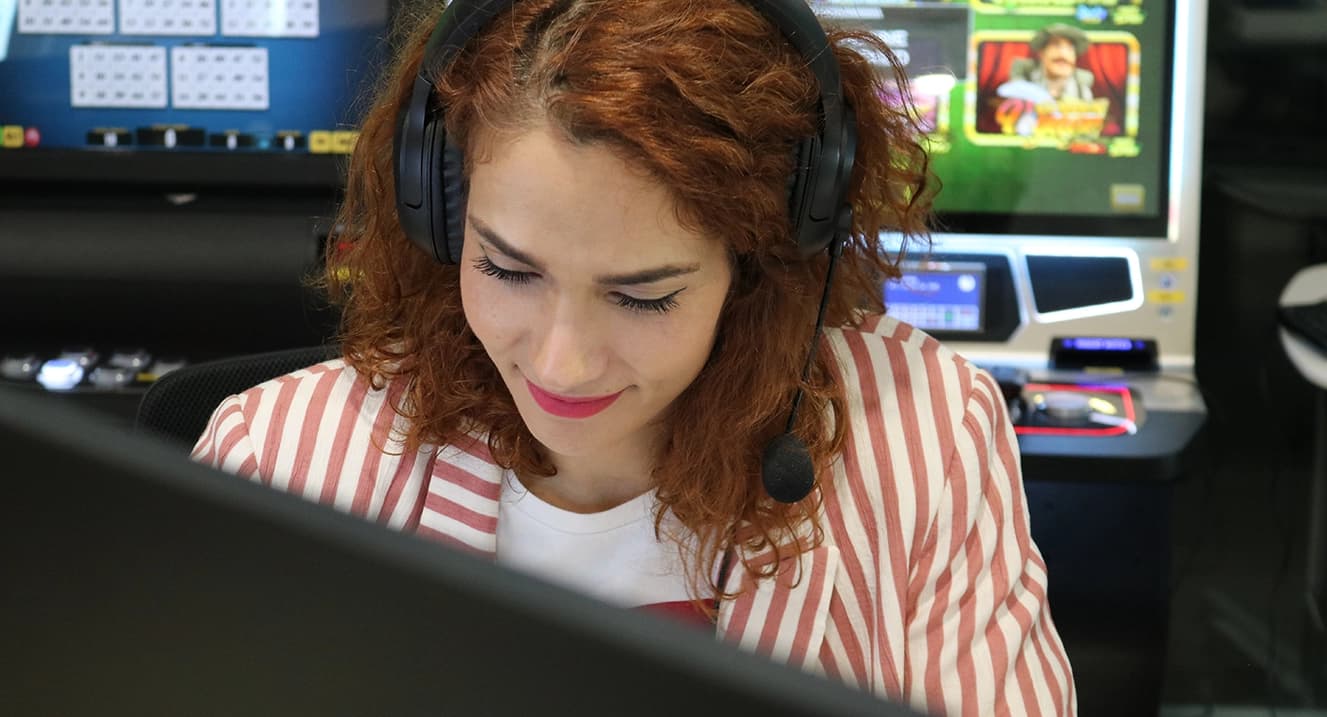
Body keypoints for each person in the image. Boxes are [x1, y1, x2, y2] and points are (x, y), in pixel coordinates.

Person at [193, 1, 1076, 714]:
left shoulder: (922, 436)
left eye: (644, 294)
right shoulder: (279, 462)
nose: (563, 364)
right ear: (439, 215)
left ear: (760, 262)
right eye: (506, 268)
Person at [1008, 23, 1094, 101]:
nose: (1063, 54)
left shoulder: (1082, 83)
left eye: (1070, 48)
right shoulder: (1026, 76)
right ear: (1041, 53)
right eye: (1056, 46)